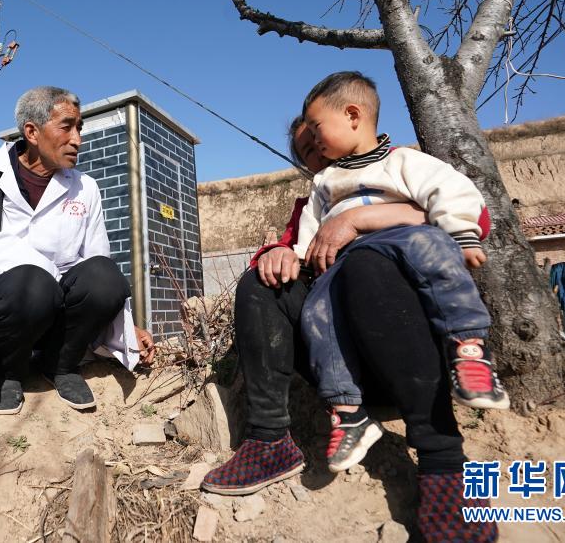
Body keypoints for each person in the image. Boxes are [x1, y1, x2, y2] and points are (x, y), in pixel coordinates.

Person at [201, 114, 497, 542]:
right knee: (261, 283)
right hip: (339, 370)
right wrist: (276, 253)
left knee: (365, 264)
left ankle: (444, 460)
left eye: (319, 139)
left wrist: (360, 219)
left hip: (412, 360)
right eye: (307, 151)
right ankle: (269, 441)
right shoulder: (314, 204)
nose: (319, 152)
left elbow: (472, 219)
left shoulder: (400, 170)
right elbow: (296, 246)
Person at [294, 72, 508, 472]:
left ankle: (469, 351)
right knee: (316, 314)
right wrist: (301, 257)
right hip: (344, 260)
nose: (315, 140)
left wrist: (461, 234)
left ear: (353, 115)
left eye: (317, 127)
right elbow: (313, 227)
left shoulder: (404, 161)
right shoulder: (324, 181)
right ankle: (347, 411)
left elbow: (451, 190)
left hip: (402, 241)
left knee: (434, 250)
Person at [0, 86, 155, 415]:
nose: (77, 139)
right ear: (32, 132)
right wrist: (46, 273)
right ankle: (6, 372)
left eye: (79, 128)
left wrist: (126, 327)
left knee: (107, 276)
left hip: (61, 318)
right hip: (12, 309)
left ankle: (60, 364)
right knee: (31, 283)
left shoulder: (85, 187)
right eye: (67, 127)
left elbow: (98, 261)